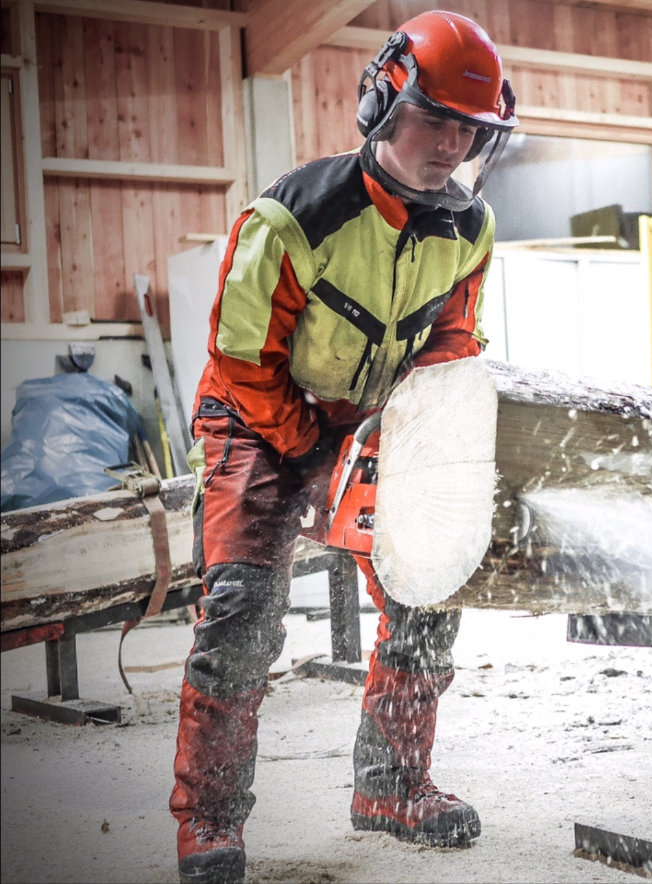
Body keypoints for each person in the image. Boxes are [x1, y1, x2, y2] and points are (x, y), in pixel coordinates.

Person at [171, 12, 518, 884]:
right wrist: (317, 460)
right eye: (433, 118)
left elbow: (449, 347)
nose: (450, 144)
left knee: (428, 589)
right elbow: (243, 362)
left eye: (468, 129)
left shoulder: (469, 228)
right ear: (383, 101)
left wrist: (402, 437)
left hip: (367, 417)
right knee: (244, 614)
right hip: (256, 416)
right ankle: (209, 821)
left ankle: (392, 786)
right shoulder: (291, 218)